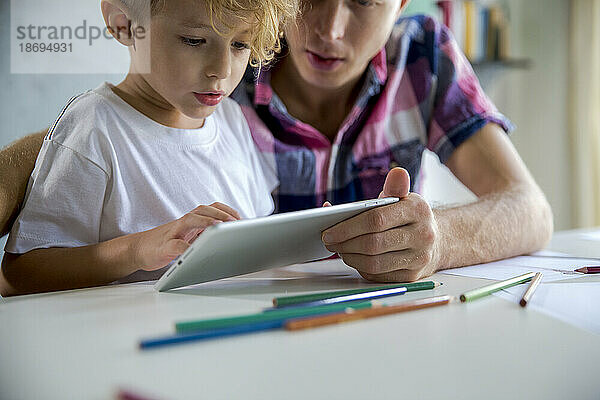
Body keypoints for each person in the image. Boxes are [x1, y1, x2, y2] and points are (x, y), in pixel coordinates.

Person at [0, 0, 553, 287]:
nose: (329, 30)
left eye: (363, 1)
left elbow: (530, 210)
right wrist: (55, 150)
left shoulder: (423, 53)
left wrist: (432, 242)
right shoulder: (224, 67)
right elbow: (124, 125)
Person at [0, 0, 298, 296]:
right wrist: (138, 249)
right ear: (124, 24)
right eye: (194, 40)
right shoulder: (94, 127)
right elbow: (19, 275)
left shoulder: (232, 120)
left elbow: (257, 242)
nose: (221, 70)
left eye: (239, 44)